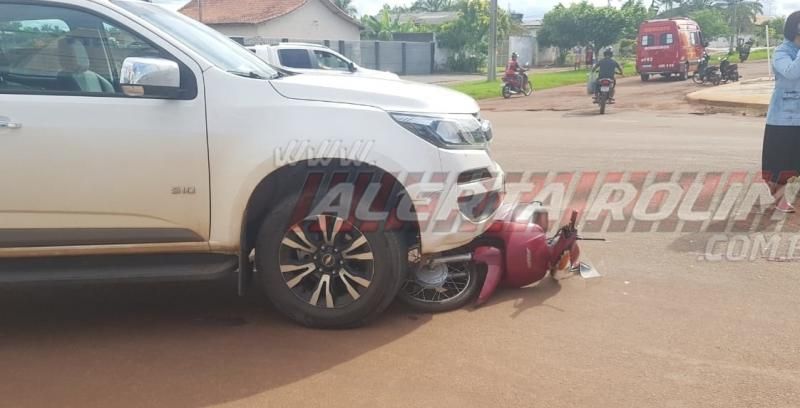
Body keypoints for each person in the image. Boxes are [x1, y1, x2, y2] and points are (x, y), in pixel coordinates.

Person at [763, 11, 800, 213]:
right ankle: (779, 198)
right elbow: (792, 73)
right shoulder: (781, 52)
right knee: (780, 163)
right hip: (783, 119)